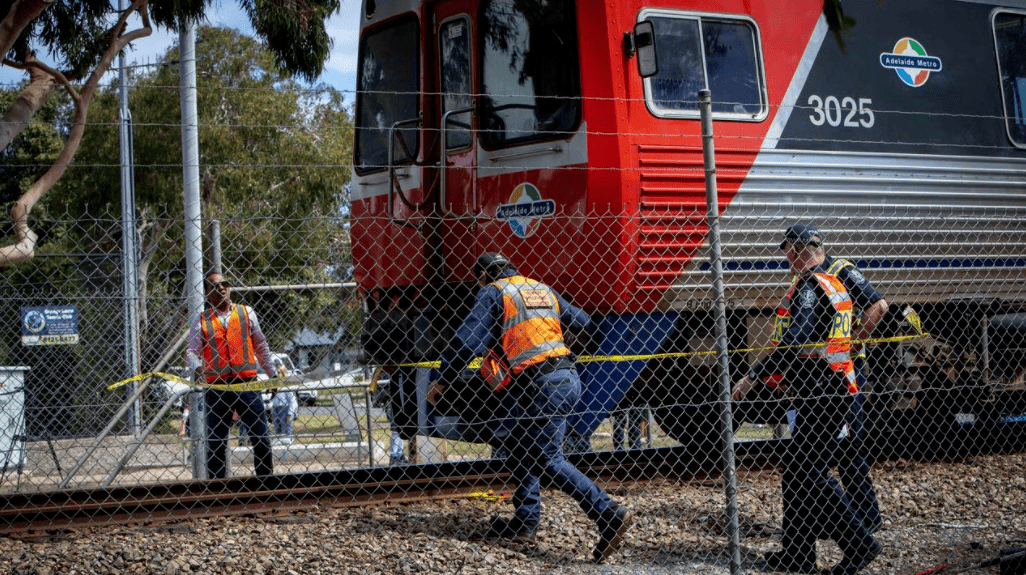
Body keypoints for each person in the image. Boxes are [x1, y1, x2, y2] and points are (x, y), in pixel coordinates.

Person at [429, 252, 631, 563]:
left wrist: (442, 377)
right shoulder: (541, 288)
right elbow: (585, 323)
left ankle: (607, 512)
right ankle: (525, 521)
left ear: (483, 275)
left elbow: (467, 340)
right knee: (521, 445)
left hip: (540, 385)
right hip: (564, 377)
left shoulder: (493, 291)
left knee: (548, 459)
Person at [732, 226, 881, 575]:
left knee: (809, 472)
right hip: (829, 387)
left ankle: (860, 544)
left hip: (823, 391)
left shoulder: (811, 285)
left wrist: (754, 375)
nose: (786, 259)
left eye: (788, 252)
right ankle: (798, 553)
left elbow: (798, 336)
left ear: (800, 250)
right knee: (796, 472)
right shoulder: (831, 283)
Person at [186, 271, 277, 479]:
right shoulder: (201, 320)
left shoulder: (247, 313)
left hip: (247, 385)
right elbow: (191, 351)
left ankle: (267, 484)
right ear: (207, 293)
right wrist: (199, 368)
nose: (220, 288)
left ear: (230, 287)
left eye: (224, 284)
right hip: (217, 389)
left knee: (261, 437)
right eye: (214, 286)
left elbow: (260, 345)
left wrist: (272, 374)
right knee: (216, 443)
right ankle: (218, 492)